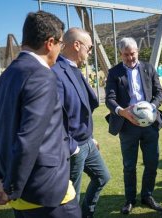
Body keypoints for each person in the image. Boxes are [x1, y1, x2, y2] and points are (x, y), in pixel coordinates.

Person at [0, 11, 81, 218]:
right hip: (47, 195)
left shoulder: (6, 76)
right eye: (60, 44)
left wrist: (0, 179)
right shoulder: (42, 76)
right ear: (50, 43)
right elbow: (29, 138)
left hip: (21, 194)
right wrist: (10, 188)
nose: (60, 50)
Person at [52, 27, 110, 217]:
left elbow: (82, 110)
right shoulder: (56, 71)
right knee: (70, 197)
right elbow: (55, 117)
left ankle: (87, 213)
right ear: (76, 45)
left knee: (102, 177)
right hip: (73, 146)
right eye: (90, 47)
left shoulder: (74, 68)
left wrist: (90, 137)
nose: (90, 52)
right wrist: (72, 146)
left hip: (87, 142)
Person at [105, 37, 162, 214]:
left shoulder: (148, 68)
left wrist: (152, 107)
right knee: (129, 165)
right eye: (126, 55)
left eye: (132, 54)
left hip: (150, 124)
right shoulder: (114, 72)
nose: (130, 58)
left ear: (137, 51)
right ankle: (129, 200)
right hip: (127, 124)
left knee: (152, 162)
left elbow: (159, 92)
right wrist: (122, 112)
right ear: (121, 54)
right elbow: (110, 99)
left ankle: (147, 195)